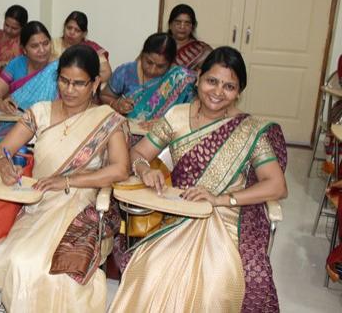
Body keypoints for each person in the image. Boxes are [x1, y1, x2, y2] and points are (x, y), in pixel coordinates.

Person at [110, 46, 288, 313]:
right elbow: (137, 152)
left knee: (214, 282)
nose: (218, 92)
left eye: (229, 86)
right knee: (151, 269)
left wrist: (220, 199)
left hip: (226, 217)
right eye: (212, 81)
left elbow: (277, 185)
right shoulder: (177, 116)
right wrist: (145, 168)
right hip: (180, 210)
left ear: (239, 92)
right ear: (198, 79)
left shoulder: (250, 129)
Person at [0, 44, 130, 312]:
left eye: (79, 84)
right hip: (39, 202)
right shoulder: (40, 112)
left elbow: (120, 169)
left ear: (95, 84)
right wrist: (3, 165)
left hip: (82, 206)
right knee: (21, 261)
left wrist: (68, 181)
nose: (70, 90)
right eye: (64, 81)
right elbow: (4, 148)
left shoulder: (107, 119)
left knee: (57, 272)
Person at [0, 21, 58, 146]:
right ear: (24, 49)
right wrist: (0, 104)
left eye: (46, 43)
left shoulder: (59, 67)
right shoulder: (17, 64)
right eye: (34, 46)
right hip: (13, 126)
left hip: (48, 129)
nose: (42, 50)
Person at [100, 33, 196, 123]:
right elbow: (104, 96)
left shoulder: (179, 79)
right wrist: (116, 104)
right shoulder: (126, 71)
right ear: (142, 55)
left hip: (163, 136)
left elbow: (190, 112)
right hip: (125, 131)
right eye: (149, 62)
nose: (152, 70)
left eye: (160, 66)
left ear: (170, 63)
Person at [51, 11, 112, 82]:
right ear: (64, 27)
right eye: (69, 28)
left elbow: (106, 73)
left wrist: (85, 84)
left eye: (77, 30)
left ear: (84, 34)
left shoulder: (91, 48)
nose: (72, 32)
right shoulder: (52, 44)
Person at [0, 5, 28, 76]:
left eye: (14, 28)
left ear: (23, 27)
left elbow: (31, 63)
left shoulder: (26, 41)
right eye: (6, 25)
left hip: (17, 80)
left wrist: (7, 63)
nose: (8, 30)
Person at [167, 3, 212, 71]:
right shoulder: (159, 46)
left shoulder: (202, 50)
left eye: (187, 23)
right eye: (178, 22)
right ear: (170, 25)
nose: (182, 27)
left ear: (192, 27)